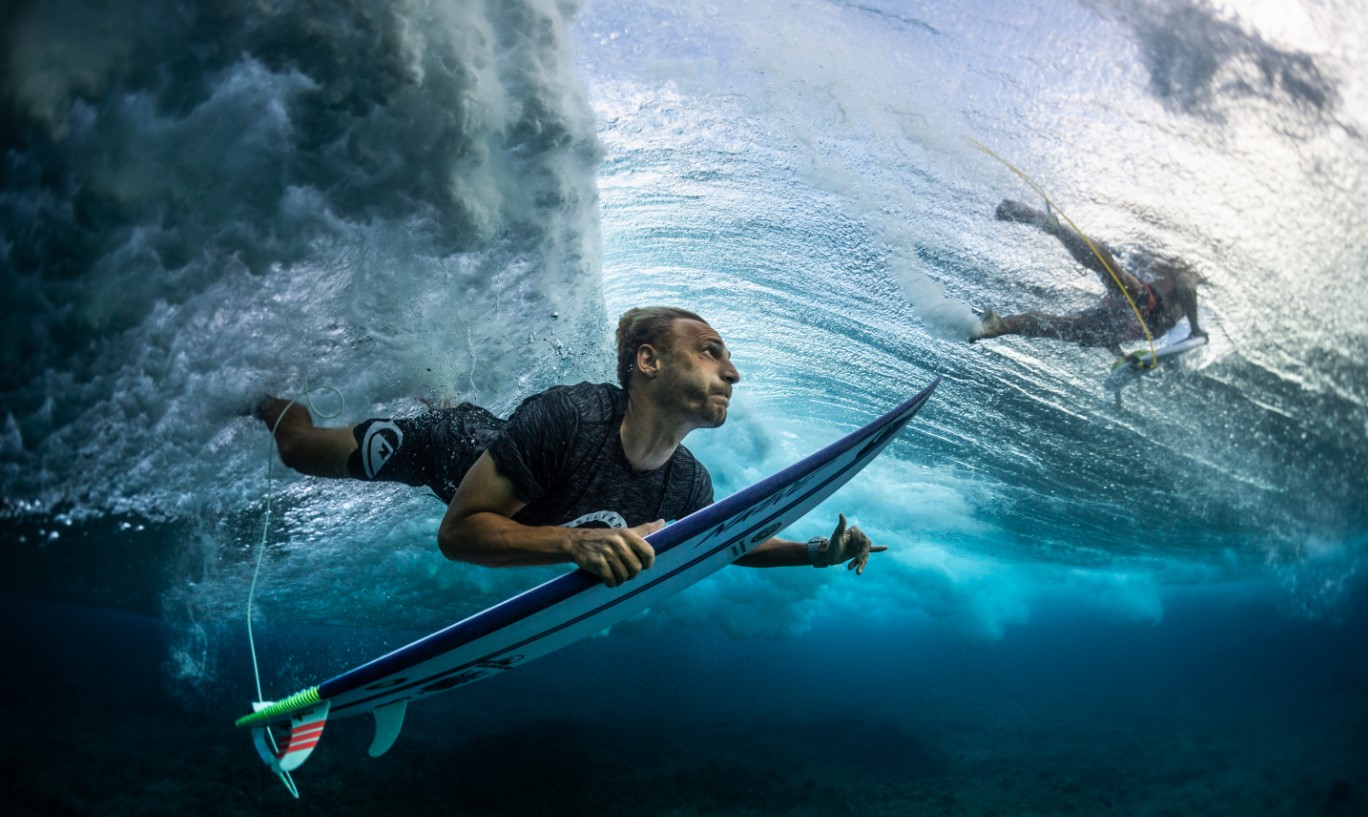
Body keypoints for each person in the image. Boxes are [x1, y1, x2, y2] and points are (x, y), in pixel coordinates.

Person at [255, 306, 885, 587]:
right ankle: (258, 393)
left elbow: (726, 546)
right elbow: (458, 535)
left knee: (464, 412)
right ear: (649, 362)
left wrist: (815, 552)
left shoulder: (687, 486)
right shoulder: (569, 416)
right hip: (442, 450)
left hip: (501, 445)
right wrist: (570, 542)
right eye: (711, 352)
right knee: (299, 449)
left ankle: (436, 390)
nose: (734, 373)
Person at [970, 199, 1205, 353]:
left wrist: (1116, 350)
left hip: (1117, 325)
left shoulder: (1162, 267)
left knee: (1060, 325)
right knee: (1110, 271)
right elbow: (1186, 288)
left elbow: (1123, 327)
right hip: (1149, 309)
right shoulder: (1183, 269)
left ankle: (999, 326)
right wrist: (1195, 328)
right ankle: (1053, 227)